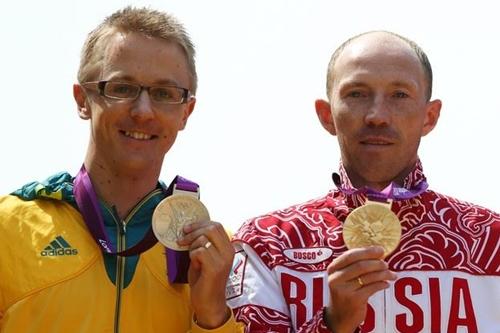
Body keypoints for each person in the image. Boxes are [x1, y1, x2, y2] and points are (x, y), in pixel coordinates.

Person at [226, 31, 500, 332]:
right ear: (327, 115)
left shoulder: (491, 241)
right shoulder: (268, 244)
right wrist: (333, 324)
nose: (377, 116)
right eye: (357, 93)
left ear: (429, 116)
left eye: (399, 95)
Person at [0, 7, 242, 333]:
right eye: (122, 88)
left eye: (164, 94)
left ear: (186, 111)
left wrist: (212, 317)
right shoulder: (9, 229)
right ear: (82, 99)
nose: (143, 111)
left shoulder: (215, 253)